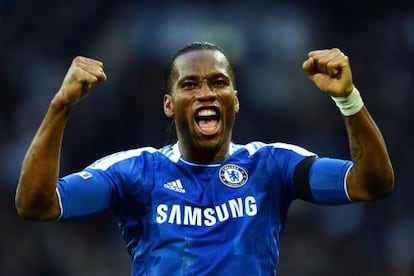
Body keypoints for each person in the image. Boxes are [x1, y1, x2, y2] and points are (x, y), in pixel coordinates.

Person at [15, 42, 394, 275]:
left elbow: (372, 184)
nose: (206, 93)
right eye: (190, 85)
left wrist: (348, 99)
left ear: (235, 99)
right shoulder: (134, 171)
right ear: (169, 104)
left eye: (218, 82)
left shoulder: (272, 165)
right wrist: (60, 106)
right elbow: (36, 204)